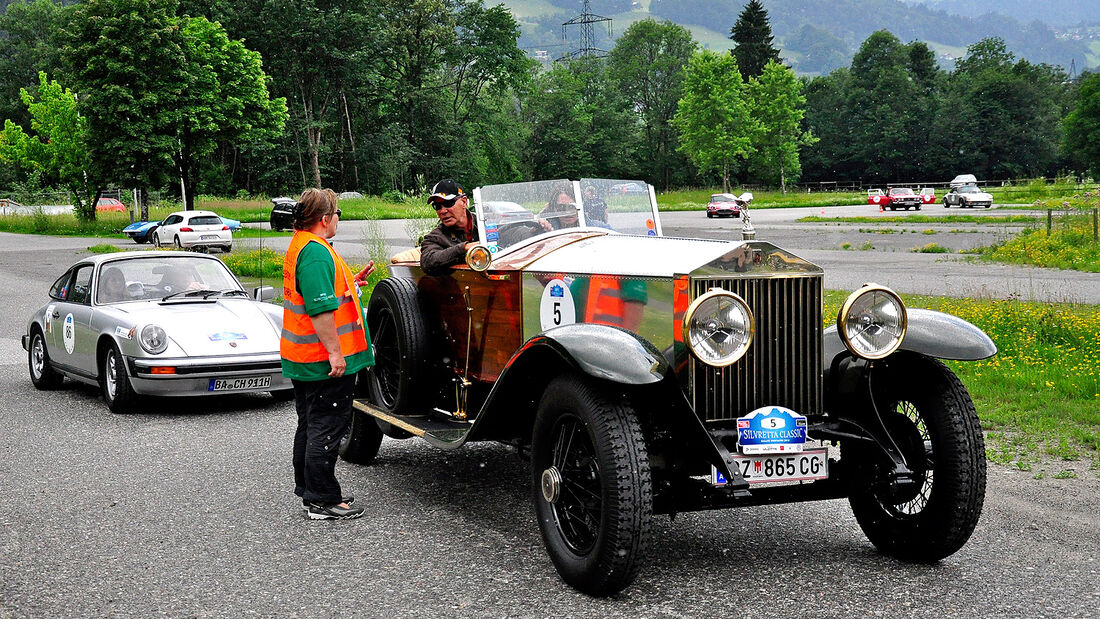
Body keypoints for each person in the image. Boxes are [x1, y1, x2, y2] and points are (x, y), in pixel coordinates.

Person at [281, 187, 376, 521]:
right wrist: (336, 355)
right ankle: (322, 500)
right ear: (324, 219)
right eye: (337, 214)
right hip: (323, 361)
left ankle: (311, 492)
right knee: (326, 426)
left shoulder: (303, 245)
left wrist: (352, 282)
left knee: (310, 423)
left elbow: (321, 292)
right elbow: (320, 311)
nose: (338, 219)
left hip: (304, 357)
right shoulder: (317, 253)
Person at [420, 179, 480, 274]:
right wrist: (464, 248)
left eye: (448, 203)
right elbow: (427, 262)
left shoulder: (486, 224)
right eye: (437, 206)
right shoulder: (434, 237)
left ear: (464, 202)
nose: (442, 211)